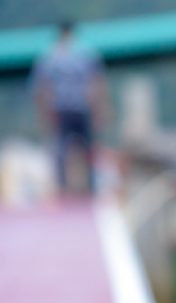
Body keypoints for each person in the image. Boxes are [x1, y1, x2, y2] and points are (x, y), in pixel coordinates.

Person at [31, 20, 109, 195]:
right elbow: (96, 83)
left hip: (61, 108)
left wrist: (44, 114)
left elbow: (43, 88)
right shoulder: (87, 53)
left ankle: (62, 187)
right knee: (88, 147)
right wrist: (100, 110)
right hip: (82, 107)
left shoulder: (49, 56)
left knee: (61, 149)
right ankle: (91, 186)